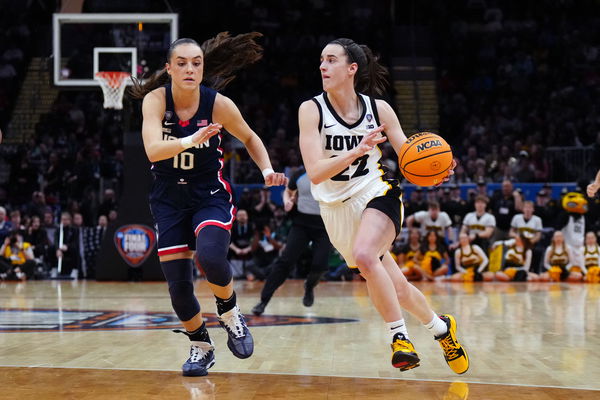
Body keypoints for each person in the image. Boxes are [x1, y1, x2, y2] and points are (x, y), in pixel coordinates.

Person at [297, 38, 468, 374]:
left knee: (364, 256)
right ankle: (442, 329)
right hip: (335, 206)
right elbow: (316, 173)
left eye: (330, 60)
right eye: (321, 60)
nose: (322, 66)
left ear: (351, 69)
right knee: (398, 288)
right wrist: (356, 150)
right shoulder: (311, 109)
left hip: (377, 191)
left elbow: (410, 160)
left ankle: (399, 338)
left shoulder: (379, 110)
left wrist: (436, 169)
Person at [130, 34, 287, 377]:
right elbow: (153, 151)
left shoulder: (217, 103)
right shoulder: (156, 101)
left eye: (196, 63)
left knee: (211, 257)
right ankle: (201, 346)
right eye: (182, 63)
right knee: (179, 290)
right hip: (169, 200)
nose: (190, 69)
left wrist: (267, 170)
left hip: (208, 196)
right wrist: (190, 139)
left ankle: (230, 314)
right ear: (169, 68)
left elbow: (248, 136)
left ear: (203, 68)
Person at [252, 165, 333, 315]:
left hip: (325, 226)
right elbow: (288, 191)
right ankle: (263, 301)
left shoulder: (333, 170)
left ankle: (309, 286)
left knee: (320, 265)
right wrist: (287, 201)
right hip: (301, 224)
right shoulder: (300, 174)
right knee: (285, 262)